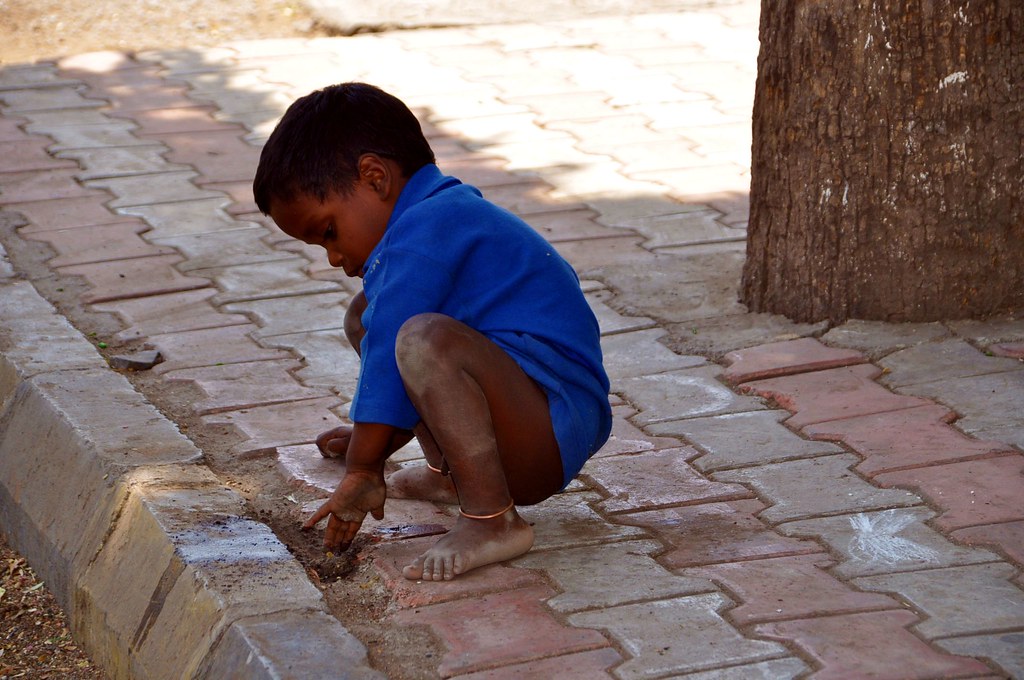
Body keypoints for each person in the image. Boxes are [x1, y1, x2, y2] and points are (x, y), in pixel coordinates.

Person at [253, 82, 611, 581]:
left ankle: (492, 519)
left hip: (550, 426)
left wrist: (364, 465)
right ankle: (452, 474)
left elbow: (395, 349)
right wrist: (374, 441)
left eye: (329, 232)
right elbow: (383, 339)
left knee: (421, 337)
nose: (334, 259)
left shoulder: (428, 231)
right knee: (367, 313)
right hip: (531, 412)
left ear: (374, 177)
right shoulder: (432, 217)